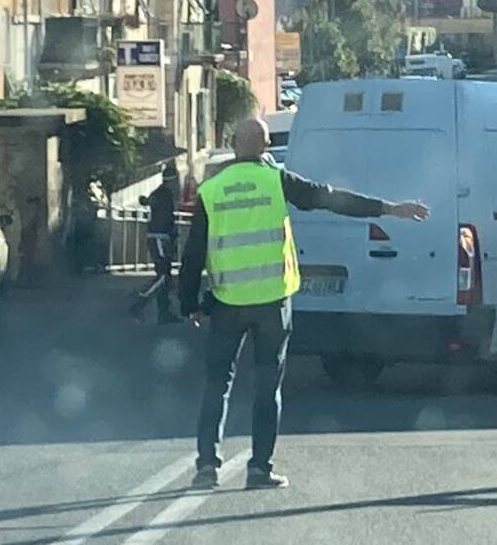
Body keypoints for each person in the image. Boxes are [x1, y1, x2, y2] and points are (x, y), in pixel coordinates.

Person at [179, 117, 429, 490]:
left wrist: (189, 303)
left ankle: (206, 467)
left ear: (233, 145)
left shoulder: (211, 190)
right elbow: (330, 198)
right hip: (272, 302)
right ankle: (260, 469)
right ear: (265, 147)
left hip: (227, 301)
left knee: (218, 384)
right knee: (267, 387)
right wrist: (390, 209)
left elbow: (194, 250)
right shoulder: (277, 180)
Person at [129, 164, 181, 324]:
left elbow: (149, 202)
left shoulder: (163, 194)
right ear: (172, 181)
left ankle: (164, 312)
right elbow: (150, 202)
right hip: (159, 238)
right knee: (163, 276)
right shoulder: (163, 194)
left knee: (166, 275)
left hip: (162, 238)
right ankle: (139, 302)